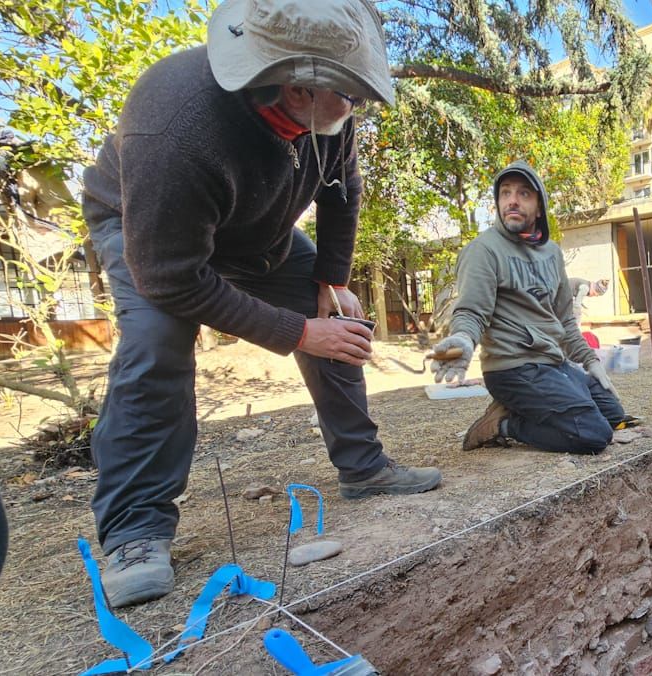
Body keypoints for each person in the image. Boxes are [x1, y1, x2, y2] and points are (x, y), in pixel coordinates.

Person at [80, 0, 441, 608]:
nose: (355, 109)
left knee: (339, 320)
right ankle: (135, 529)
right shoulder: (174, 127)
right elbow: (172, 280)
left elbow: (342, 189)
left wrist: (330, 282)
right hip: (149, 231)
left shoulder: (329, 103)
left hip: (260, 231)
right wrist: (297, 332)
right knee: (156, 344)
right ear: (298, 88)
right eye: (348, 97)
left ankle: (363, 467)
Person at [431, 162, 629, 453]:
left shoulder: (551, 253)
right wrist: (463, 338)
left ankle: (519, 409)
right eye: (506, 193)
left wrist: (590, 361)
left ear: (539, 207)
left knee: (613, 415)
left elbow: (564, 320)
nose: (512, 199)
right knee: (594, 435)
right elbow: (472, 310)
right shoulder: (483, 251)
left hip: (551, 363)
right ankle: (502, 425)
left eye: (524, 194)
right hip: (513, 368)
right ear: (498, 203)